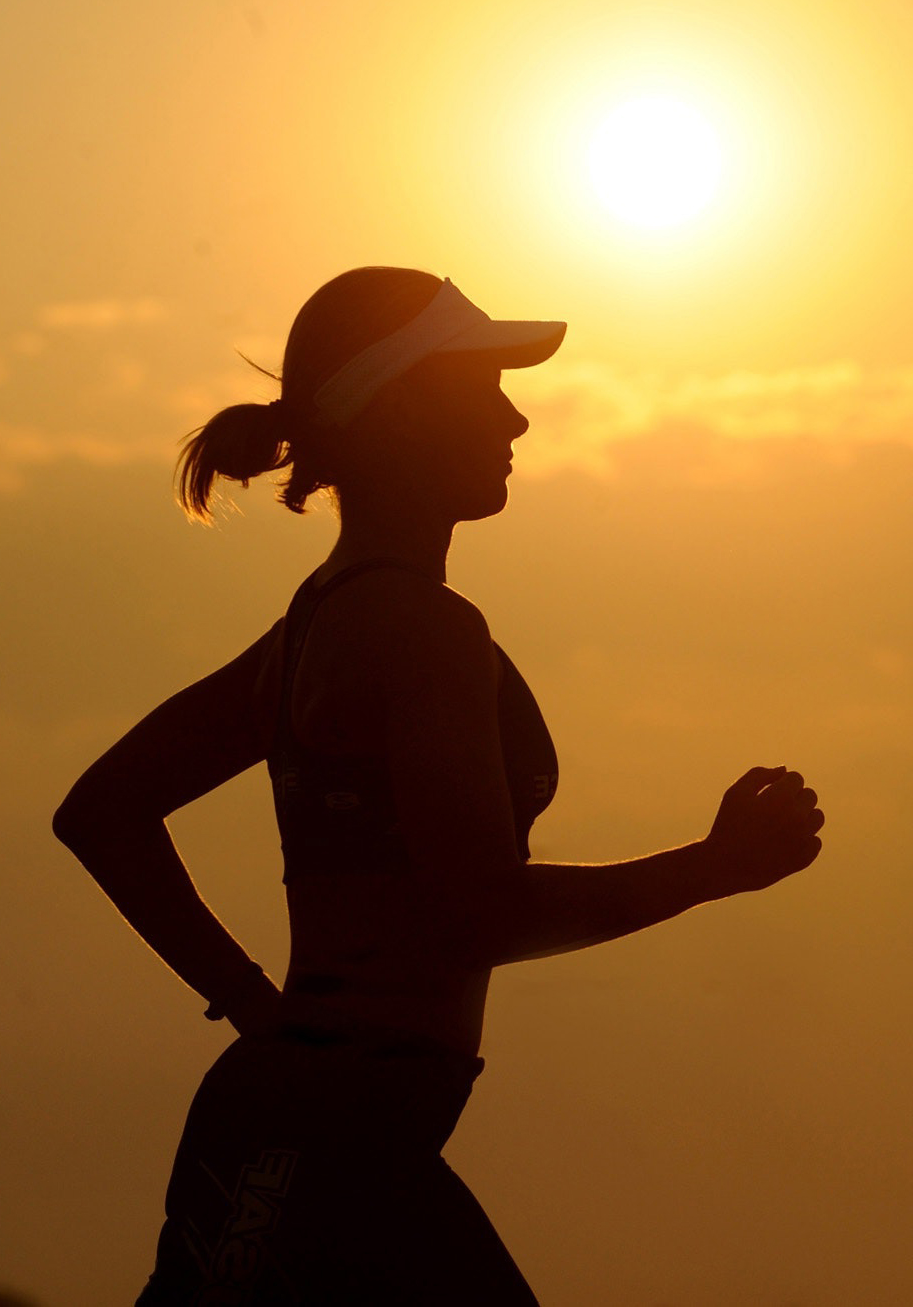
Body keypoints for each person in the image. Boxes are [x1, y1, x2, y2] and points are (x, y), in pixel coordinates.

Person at [50, 266, 824, 1304]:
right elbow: (477, 912)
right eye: (485, 386)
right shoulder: (419, 629)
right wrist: (714, 867)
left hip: (304, 1122)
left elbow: (101, 810)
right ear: (404, 405)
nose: (519, 416)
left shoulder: (316, 626)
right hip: (330, 1140)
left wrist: (251, 1002)